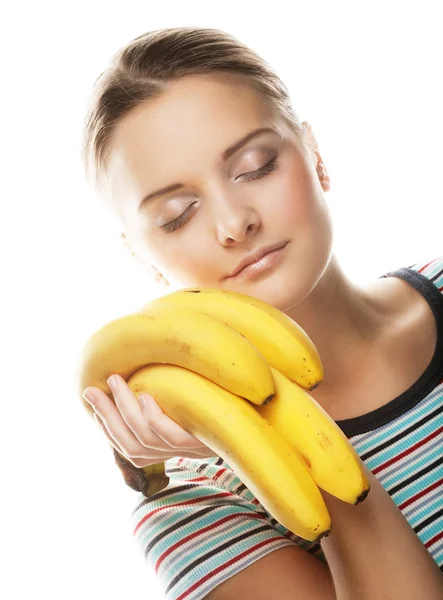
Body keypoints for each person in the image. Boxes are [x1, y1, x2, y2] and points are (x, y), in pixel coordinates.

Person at [80, 26, 443, 600]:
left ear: (314, 155)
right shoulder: (193, 508)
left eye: (254, 166)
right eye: (178, 214)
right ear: (142, 256)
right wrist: (276, 437)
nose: (234, 223)